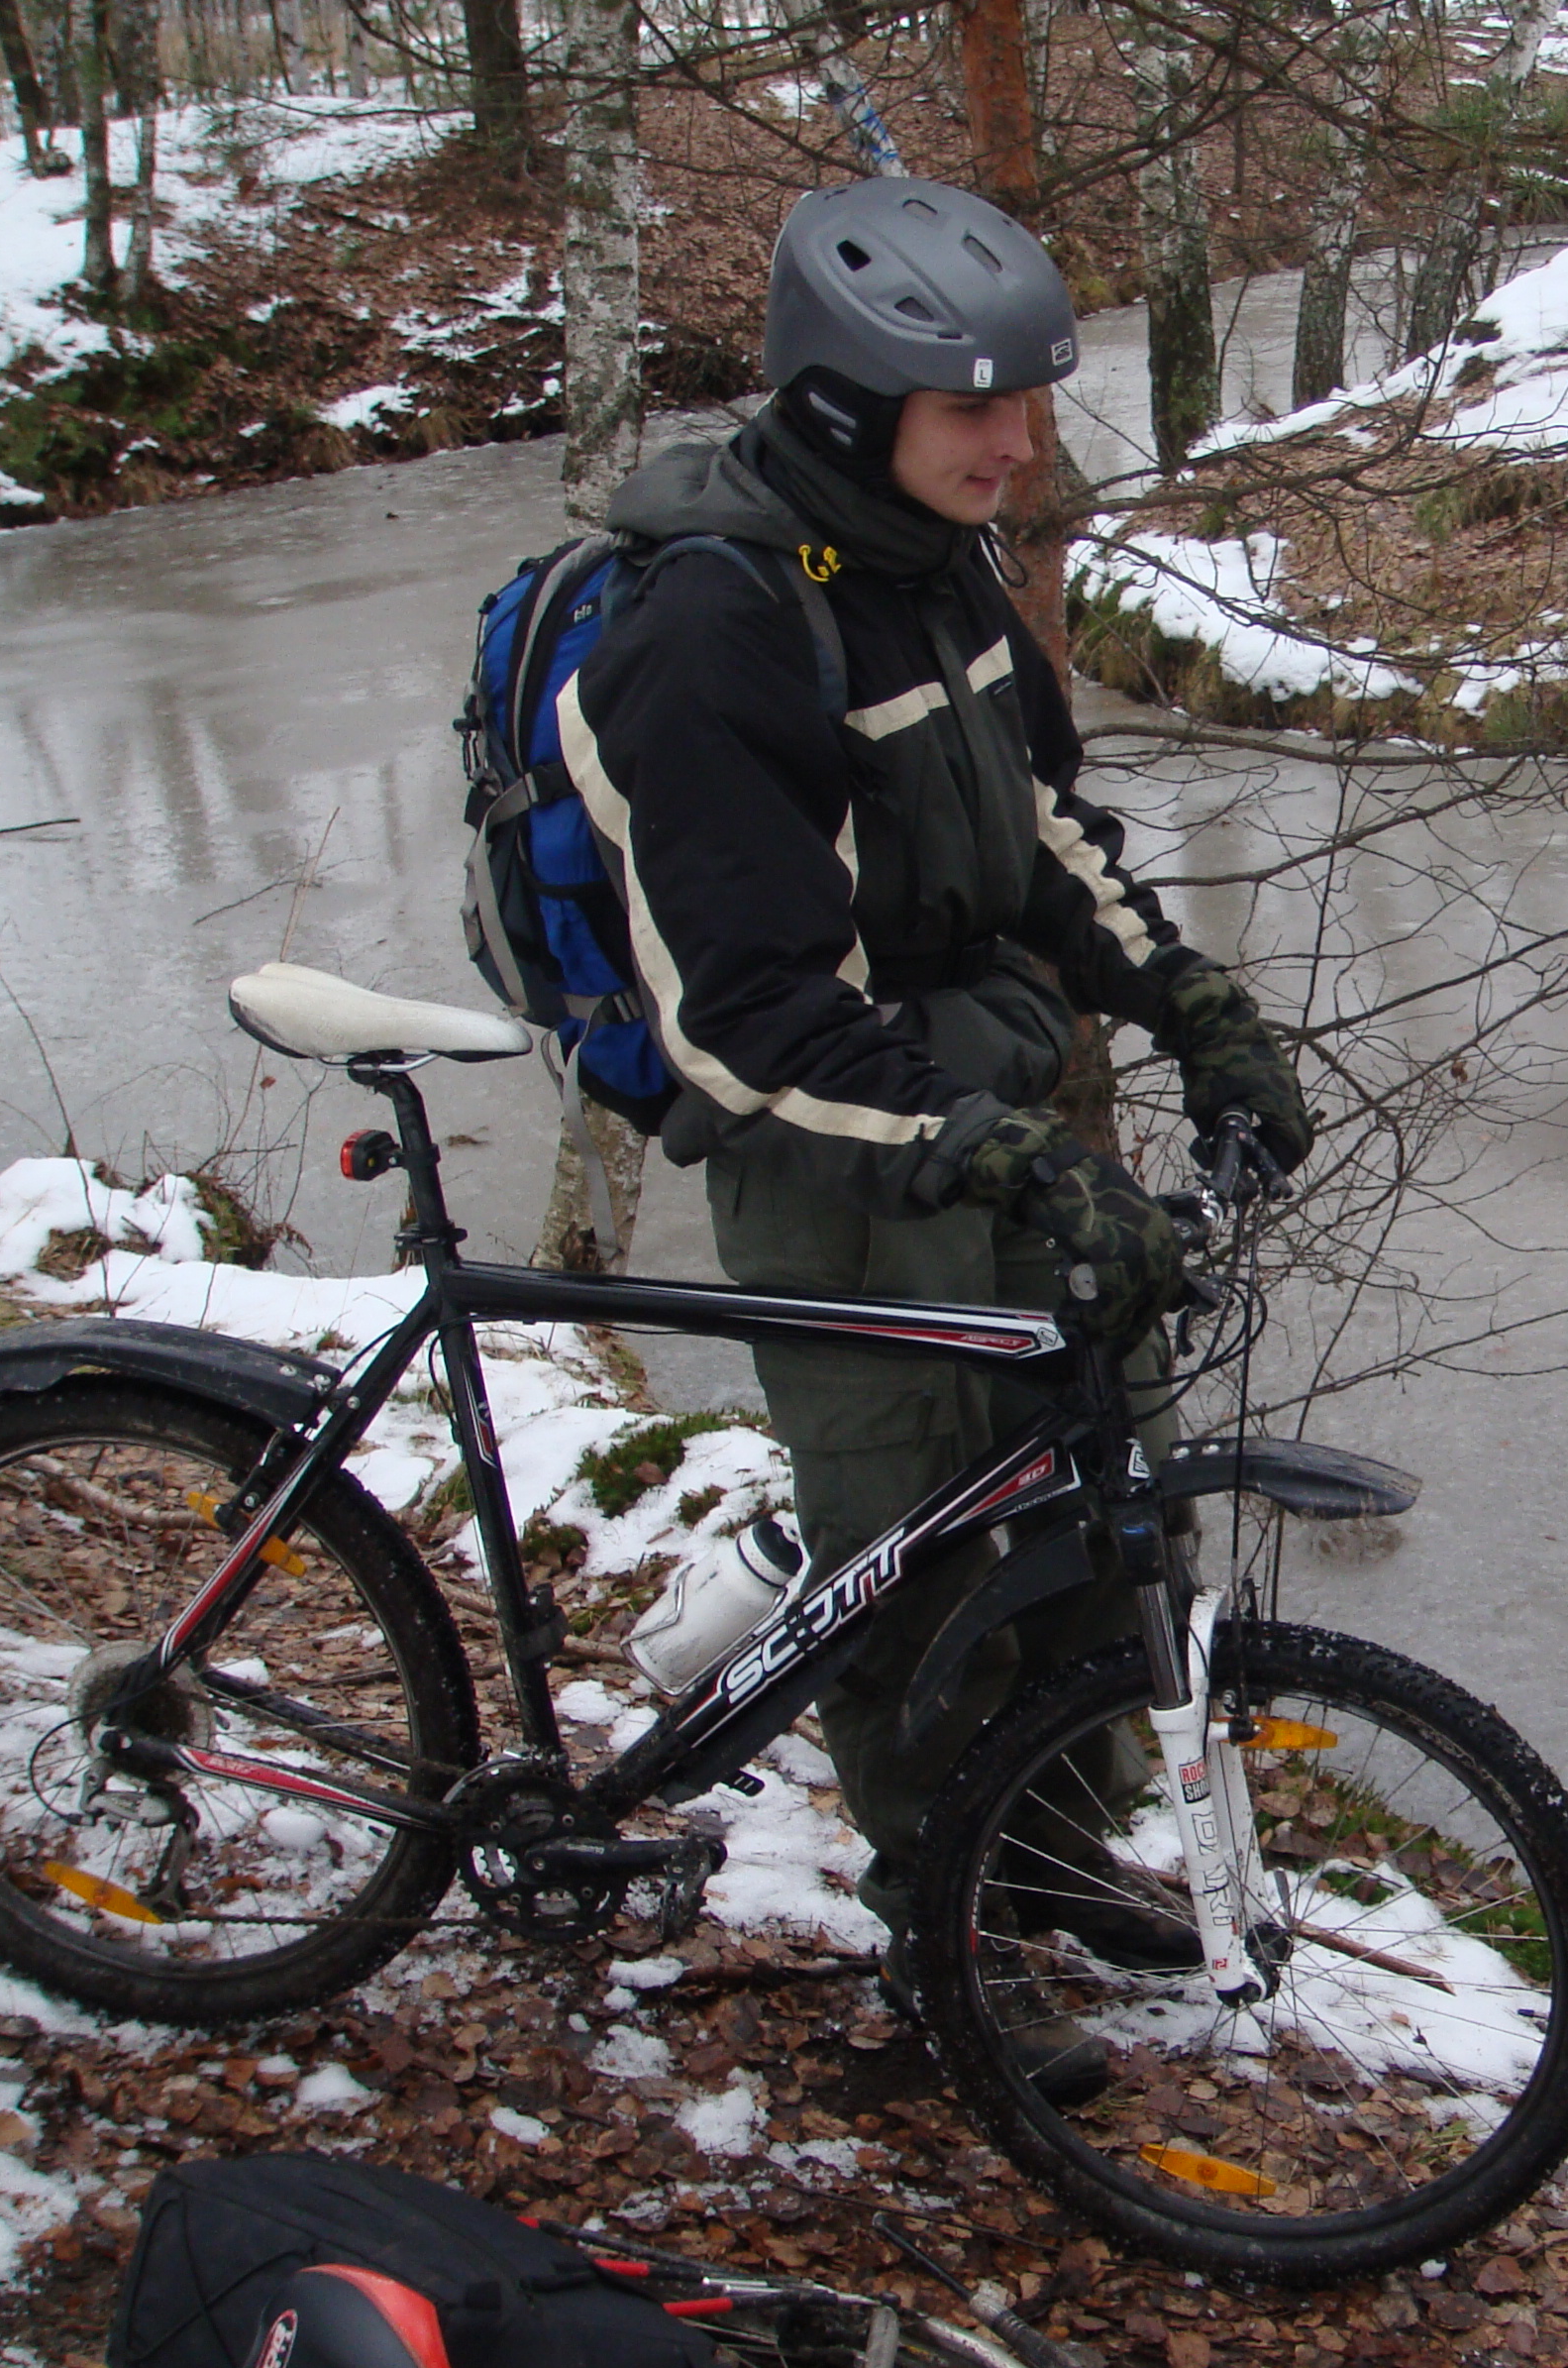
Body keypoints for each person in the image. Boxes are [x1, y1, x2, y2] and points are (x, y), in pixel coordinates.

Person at [555, 177, 1312, 2091]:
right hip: (841, 1157)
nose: (1022, 439)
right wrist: (993, 1150)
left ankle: (1040, 1859)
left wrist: (1193, 1006)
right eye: (976, 404)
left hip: (983, 1116)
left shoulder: (924, 561)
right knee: (920, 1562)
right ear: (845, 402)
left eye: (1031, 398)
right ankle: (943, 1956)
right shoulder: (715, 630)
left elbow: (1044, 833)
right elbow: (746, 1023)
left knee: (1103, 1498)